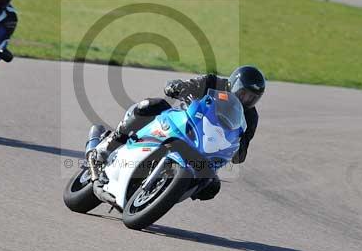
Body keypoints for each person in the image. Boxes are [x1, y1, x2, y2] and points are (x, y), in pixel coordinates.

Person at [87, 65, 265, 201]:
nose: (246, 99)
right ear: (233, 84)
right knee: (152, 105)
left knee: (212, 186)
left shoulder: (251, 117)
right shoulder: (213, 82)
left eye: (252, 97)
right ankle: (112, 142)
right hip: (186, 124)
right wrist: (177, 87)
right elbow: (187, 85)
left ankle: (166, 193)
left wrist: (238, 150)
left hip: (207, 147)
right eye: (243, 93)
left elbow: (241, 151)